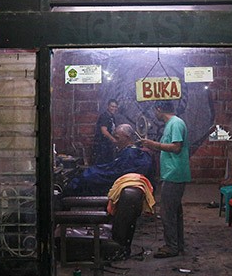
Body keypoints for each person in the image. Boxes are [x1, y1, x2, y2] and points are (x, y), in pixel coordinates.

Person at [141, 101, 191, 258]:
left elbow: (176, 147)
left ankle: (172, 247)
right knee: (174, 212)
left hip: (174, 174)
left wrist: (153, 144)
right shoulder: (173, 123)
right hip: (172, 173)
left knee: (167, 213)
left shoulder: (175, 124)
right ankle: (177, 244)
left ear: (159, 109)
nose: (155, 115)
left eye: (155, 111)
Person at [65, 124, 153, 196]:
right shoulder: (133, 153)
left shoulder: (130, 154)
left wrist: (91, 173)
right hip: (111, 181)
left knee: (79, 182)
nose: (115, 140)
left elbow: (114, 173)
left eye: (118, 138)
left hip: (107, 186)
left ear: (127, 137)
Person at [92, 99, 119, 165]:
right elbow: (104, 131)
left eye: (115, 107)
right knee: (103, 163)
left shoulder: (112, 117)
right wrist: (114, 140)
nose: (114, 108)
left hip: (108, 145)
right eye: (112, 106)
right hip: (102, 145)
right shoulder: (105, 116)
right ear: (108, 106)